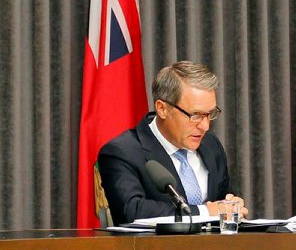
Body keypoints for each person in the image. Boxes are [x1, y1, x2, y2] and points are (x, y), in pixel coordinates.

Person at [98, 61, 248, 224]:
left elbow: (221, 202)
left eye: (210, 114)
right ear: (162, 108)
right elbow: (131, 210)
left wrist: (232, 207)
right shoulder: (122, 152)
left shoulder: (211, 146)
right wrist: (206, 212)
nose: (205, 126)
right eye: (195, 115)